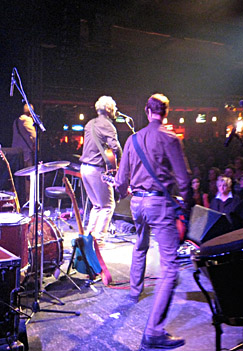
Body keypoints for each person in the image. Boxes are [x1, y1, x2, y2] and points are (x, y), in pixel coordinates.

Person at [113, 93, 190, 350]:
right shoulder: (170, 138)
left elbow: (120, 183)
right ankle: (154, 331)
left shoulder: (132, 139)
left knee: (140, 243)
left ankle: (135, 290)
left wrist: (126, 188)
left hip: (137, 204)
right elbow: (184, 180)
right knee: (170, 268)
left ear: (147, 111)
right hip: (159, 205)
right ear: (166, 112)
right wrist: (186, 208)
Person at [79, 96, 123, 241]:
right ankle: (99, 240)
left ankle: (88, 238)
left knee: (97, 205)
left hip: (84, 168)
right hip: (96, 169)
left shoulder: (89, 123)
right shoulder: (108, 125)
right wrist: (122, 162)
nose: (116, 111)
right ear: (109, 109)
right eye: (114, 108)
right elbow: (115, 147)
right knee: (108, 206)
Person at [11, 103, 36, 201]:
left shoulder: (16, 121)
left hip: (17, 153)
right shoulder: (26, 120)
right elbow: (34, 135)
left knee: (19, 178)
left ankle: (20, 198)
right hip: (26, 153)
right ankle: (27, 199)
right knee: (27, 178)